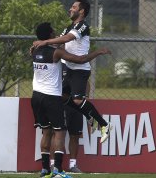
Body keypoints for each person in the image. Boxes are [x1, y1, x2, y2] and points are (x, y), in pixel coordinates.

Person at [31, 22, 110, 178]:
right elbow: (80, 60)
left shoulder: (34, 51)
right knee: (59, 133)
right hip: (51, 98)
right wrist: (98, 52)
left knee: (46, 133)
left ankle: (45, 170)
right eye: (53, 32)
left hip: (36, 96)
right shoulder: (57, 53)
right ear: (50, 35)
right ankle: (58, 170)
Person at [33, 0, 112, 144]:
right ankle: (88, 116)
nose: (70, 9)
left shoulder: (83, 26)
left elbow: (67, 38)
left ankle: (104, 125)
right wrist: (42, 46)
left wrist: (44, 42)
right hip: (68, 69)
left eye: (74, 7)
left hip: (79, 70)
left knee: (77, 100)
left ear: (81, 11)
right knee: (60, 96)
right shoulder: (69, 27)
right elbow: (60, 40)